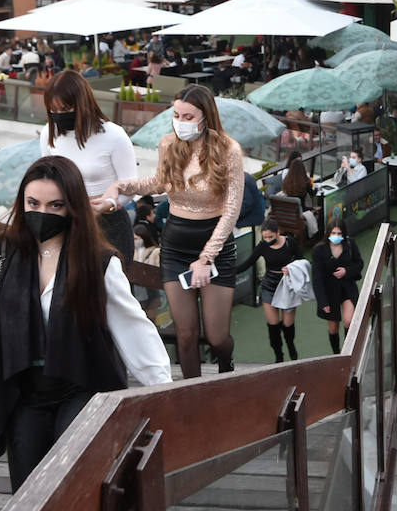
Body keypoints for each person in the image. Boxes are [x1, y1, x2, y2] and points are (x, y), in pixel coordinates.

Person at [0, 157, 171, 491]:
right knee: (27, 486)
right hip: (23, 386)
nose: (41, 213)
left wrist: (162, 390)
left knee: (73, 477)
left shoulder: (98, 261)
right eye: (33, 203)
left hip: (81, 383)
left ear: (72, 207)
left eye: (55, 205)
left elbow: (134, 329)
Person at [102, 85, 245, 378]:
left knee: (217, 337)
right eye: (176, 114)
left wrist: (206, 258)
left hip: (215, 244)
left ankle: (226, 365)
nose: (181, 121)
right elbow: (159, 183)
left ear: (206, 117)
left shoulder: (229, 150)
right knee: (186, 333)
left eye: (188, 116)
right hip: (176, 243)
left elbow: (232, 209)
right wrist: (121, 186)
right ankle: (192, 397)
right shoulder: (169, 144)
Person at [40, 70, 139, 261]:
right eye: (54, 111)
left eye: (65, 109)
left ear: (81, 104)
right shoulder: (49, 133)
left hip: (109, 225)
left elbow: (130, 186)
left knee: (111, 286)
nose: (59, 116)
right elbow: (48, 178)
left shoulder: (114, 135)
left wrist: (108, 205)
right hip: (66, 224)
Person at [237, 219, 304, 362]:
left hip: (287, 284)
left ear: (278, 232)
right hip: (269, 285)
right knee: (273, 325)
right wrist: (229, 271)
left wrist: (291, 268)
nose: (267, 240)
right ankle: (278, 355)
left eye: (270, 237)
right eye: (265, 237)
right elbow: (248, 263)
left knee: (288, 325)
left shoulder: (289, 242)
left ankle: (291, 347)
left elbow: (301, 261)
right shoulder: (262, 246)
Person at [312, 218, 364, 354]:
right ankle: (336, 353)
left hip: (347, 288)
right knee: (333, 328)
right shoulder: (319, 250)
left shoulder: (350, 244)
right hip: (329, 292)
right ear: (328, 233)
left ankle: (348, 352)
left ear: (344, 234)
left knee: (349, 321)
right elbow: (317, 278)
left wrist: (347, 271)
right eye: (333, 233)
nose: (336, 236)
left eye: (339, 233)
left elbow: (359, 264)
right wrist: (322, 302)